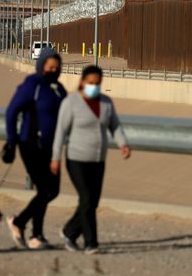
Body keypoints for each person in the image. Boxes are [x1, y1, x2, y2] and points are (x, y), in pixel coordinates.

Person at [51, 65, 130, 255]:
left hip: (98, 159)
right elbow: (60, 132)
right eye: (90, 83)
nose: (94, 86)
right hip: (76, 158)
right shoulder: (71, 103)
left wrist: (123, 144)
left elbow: (115, 126)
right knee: (86, 198)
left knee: (92, 202)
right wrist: (55, 158)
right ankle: (91, 242)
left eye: (97, 83)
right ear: (82, 82)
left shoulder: (106, 103)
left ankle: (69, 231)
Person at [1, 48, 66, 250]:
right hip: (30, 145)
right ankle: (28, 229)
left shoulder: (59, 89)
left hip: (51, 148)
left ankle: (29, 229)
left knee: (51, 191)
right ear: (41, 66)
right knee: (45, 190)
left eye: (57, 67)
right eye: (49, 67)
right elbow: (12, 112)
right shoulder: (33, 85)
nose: (53, 70)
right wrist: (11, 141)